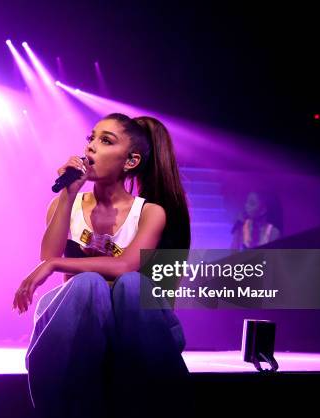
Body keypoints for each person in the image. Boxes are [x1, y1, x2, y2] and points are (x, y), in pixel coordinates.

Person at [12, 113, 191, 418]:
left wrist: (55, 264)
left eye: (105, 141)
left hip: (136, 326)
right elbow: (48, 253)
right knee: (88, 284)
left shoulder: (150, 212)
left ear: (130, 162)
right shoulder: (66, 204)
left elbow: (126, 266)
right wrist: (69, 196)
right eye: (91, 138)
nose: (92, 147)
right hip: (78, 324)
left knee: (133, 285)